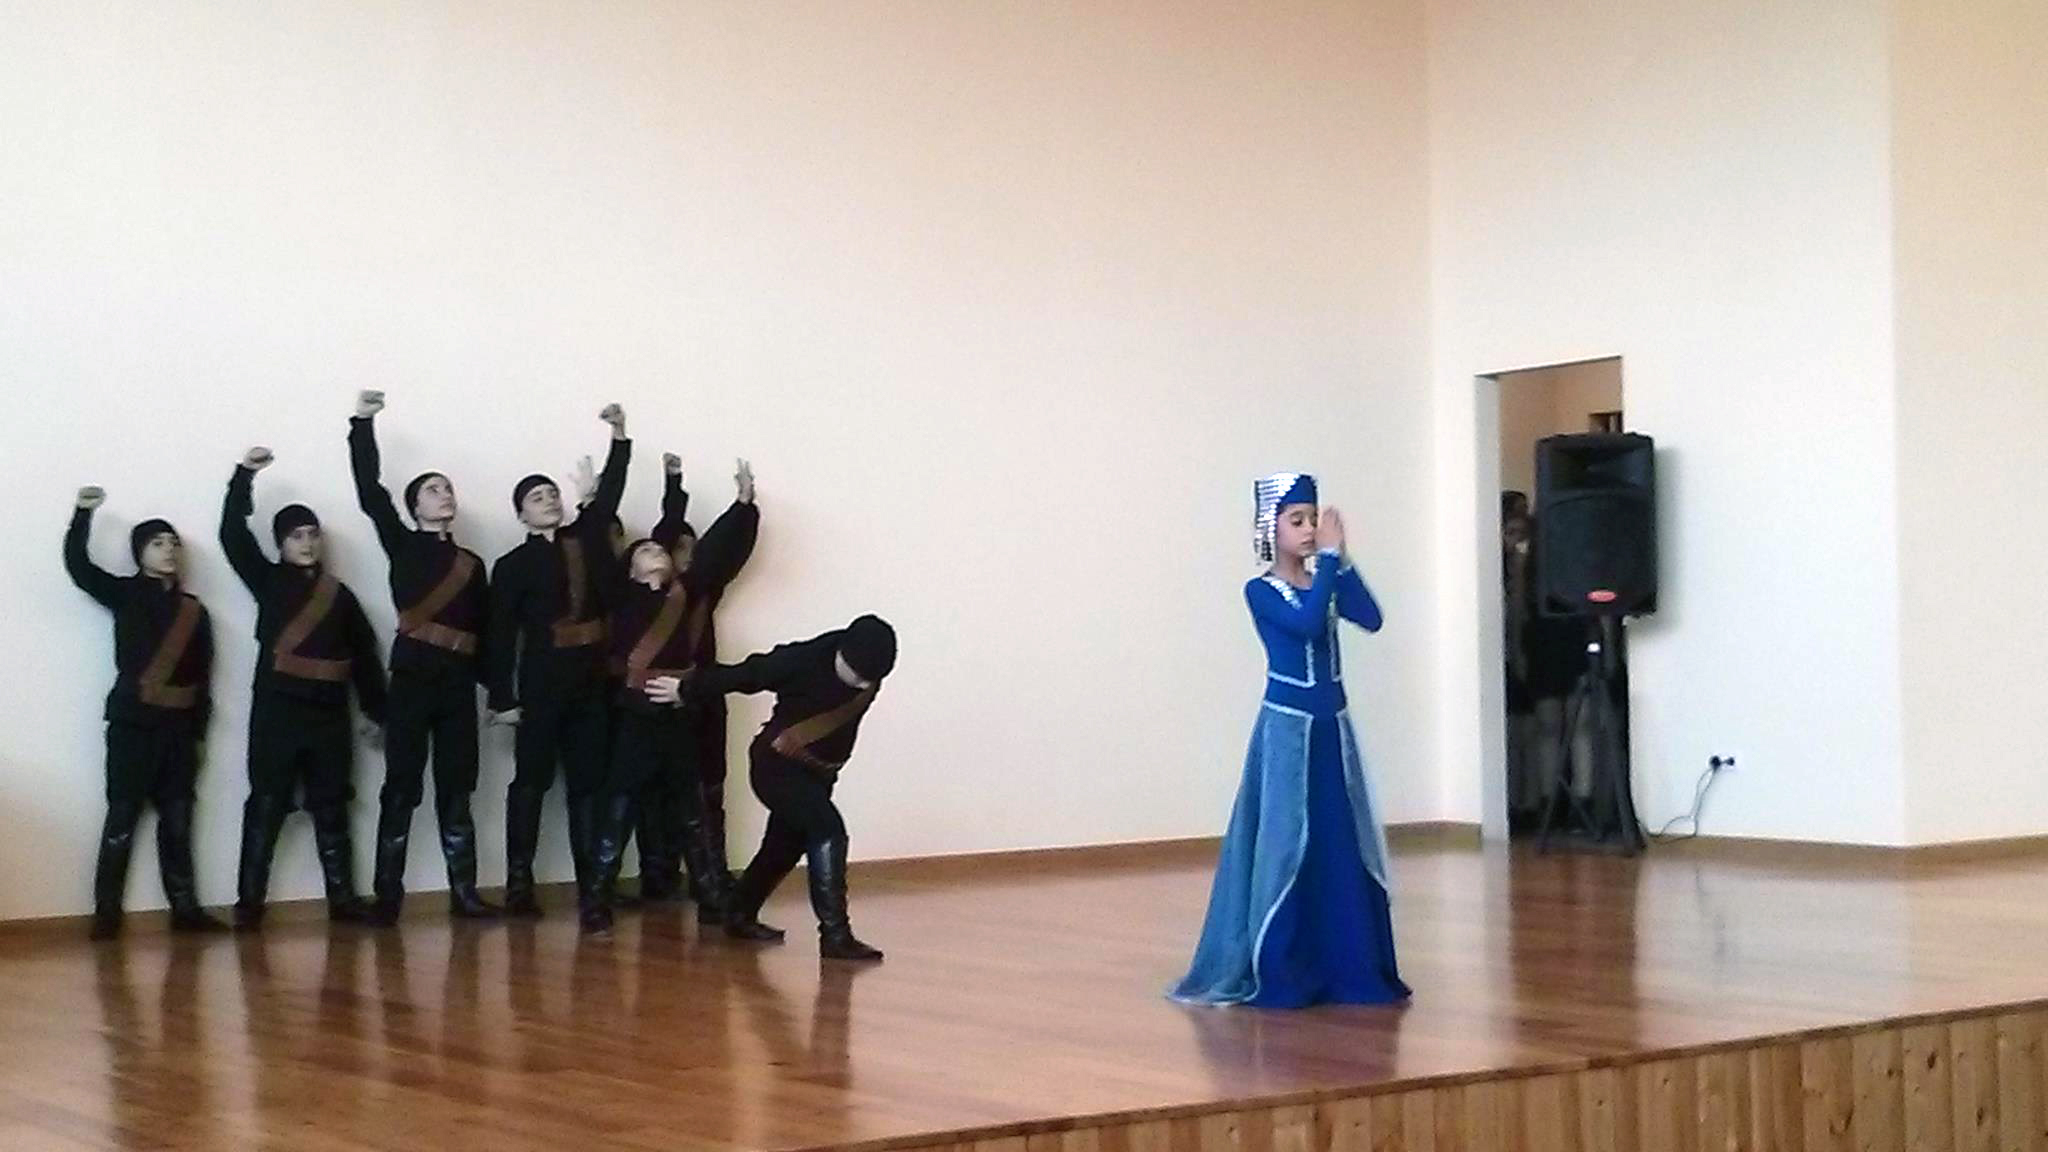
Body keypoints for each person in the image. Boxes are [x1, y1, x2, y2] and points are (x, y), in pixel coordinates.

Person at [1170, 473, 1408, 1008]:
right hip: (1287, 732)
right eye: (1295, 520)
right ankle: (1281, 964)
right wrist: (1328, 562)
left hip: (1331, 732)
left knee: (1338, 841)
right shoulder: (1261, 590)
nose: (1307, 530)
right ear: (1270, 529)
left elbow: (1371, 618)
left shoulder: (1323, 579)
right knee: (1284, 846)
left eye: (1312, 519)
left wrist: (1341, 562)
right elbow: (1305, 625)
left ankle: (1347, 962)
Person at [347, 391, 499, 923]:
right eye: (433, 490)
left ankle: (464, 893)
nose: (444, 494)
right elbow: (370, 491)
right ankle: (388, 897)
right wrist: (362, 425)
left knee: (458, 789)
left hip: (458, 685)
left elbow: (487, 633)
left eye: (448, 488)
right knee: (401, 788)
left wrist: (499, 695)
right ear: (415, 507)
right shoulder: (403, 543)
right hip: (411, 678)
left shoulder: (473, 564)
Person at [220, 447, 387, 929]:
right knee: (266, 805)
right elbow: (232, 535)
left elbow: (365, 655)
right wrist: (243, 477)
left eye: (313, 534)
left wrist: (377, 711)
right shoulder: (268, 580)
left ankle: (343, 901)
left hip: (329, 714)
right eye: (297, 536)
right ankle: (249, 905)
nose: (308, 543)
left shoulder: (340, 595)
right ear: (281, 544)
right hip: (277, 712)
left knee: (332, 805)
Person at [64, 486, 228, 939]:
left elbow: (204, 677)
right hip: (132, 726)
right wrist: (83, 515)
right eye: (158, 543)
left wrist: (198, 731)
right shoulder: (124, 594)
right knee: (121, 818)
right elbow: (79, 567)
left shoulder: (195, 612)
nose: (169, 550)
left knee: (178, 820)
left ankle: (186, 910)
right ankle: (107, 915)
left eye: (173, 543)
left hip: (179, 729)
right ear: (140, 553)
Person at [486, 405, 630, 917]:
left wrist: (619, 437)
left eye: (552, 494)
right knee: (531, 782)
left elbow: (608, 497)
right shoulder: (510, 565)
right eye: (535, 497)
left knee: (589, 785)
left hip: (591, 683)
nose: (547, 500)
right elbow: (499, 636)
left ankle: (593, 888)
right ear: (521, 516)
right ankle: (518, 885)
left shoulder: (586, 542)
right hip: (541, 685)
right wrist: (502, 697)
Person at [693, 615, 897, 962]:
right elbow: (746, 674)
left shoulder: (870, 663)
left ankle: (738, 913)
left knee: (783, 848)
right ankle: (835, 936)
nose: (862, 685)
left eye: (869, 680)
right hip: (775, 766)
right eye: (855, 676)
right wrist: (686, 688)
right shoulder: (802, 659)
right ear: (841, 654)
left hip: (818, 775)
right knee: (828, 829)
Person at [634, 455, 758, 912]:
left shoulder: (704, 590)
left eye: (693, 549)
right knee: (656, 790)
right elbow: (669, 527)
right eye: (679, 549)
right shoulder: (645, 597)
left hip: (703, 697)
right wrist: (673, 484)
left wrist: (745, 505)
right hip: (654, 702)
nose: (688, 556)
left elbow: (731, 548)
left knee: (708, 787)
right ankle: (660, 876)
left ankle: (712, 877)